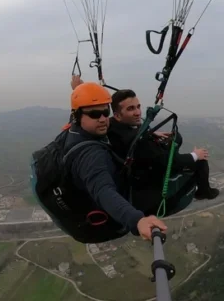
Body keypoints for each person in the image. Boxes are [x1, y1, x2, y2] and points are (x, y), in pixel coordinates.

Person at [70, 75, 220, 201]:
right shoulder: (138, 141)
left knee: (171, 140)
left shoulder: (111, 124)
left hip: (139, 164)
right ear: (117, 114)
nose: (137, 112)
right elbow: (170, 163)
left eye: (138, 107)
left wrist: (78, 90)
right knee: (197, 158)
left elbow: (87, 116)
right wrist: (195, 155)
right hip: (146, 178)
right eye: (130, 109)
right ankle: (204, 191)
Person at [63, 81, 168, 241]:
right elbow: (103, 190)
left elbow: (88, 110)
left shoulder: (77, 128)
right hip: (107, 219)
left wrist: (79, 88)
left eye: (106, 111)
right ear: (78, 117)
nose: (103, 119)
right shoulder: (90, 155)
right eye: (95, 114)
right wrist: (137, 220)